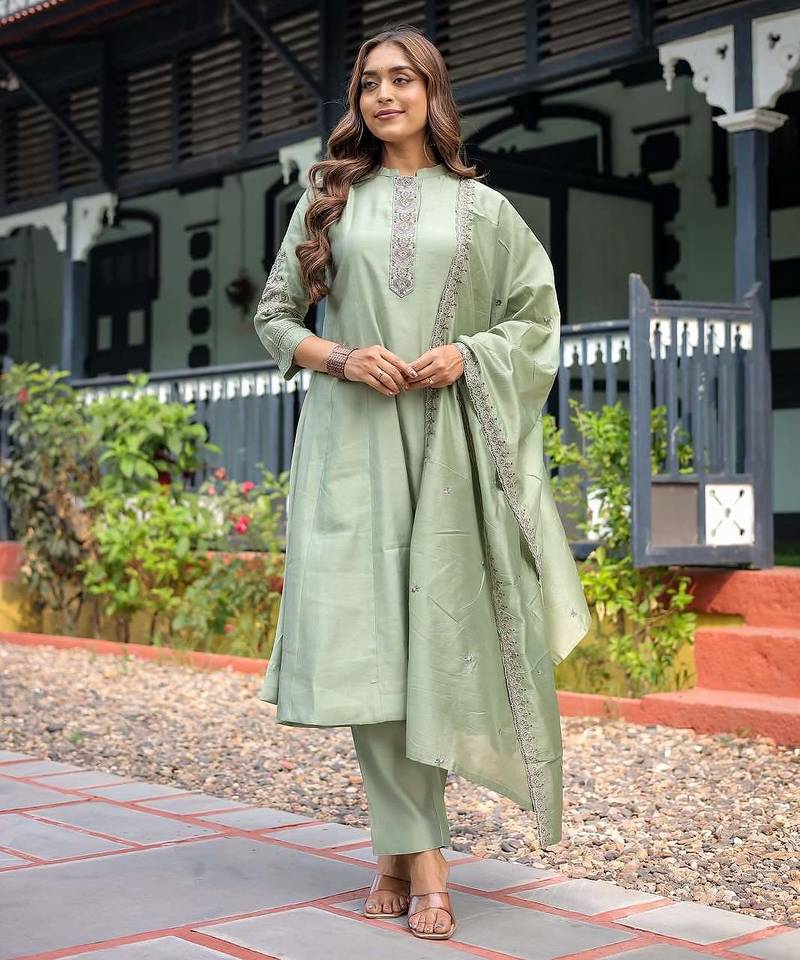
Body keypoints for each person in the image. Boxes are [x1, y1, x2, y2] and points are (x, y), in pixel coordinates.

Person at [253, 25, 591, 942]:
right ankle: (428, 863)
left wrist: (467, 354)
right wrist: (342, 357)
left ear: (433, 92)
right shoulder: (329, 198)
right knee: (371, 652)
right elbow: (275, 317)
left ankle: (397, 855)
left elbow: (535, 318)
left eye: (402, 79)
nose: (384, 95)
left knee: (431, 644)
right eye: (369, 83)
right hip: (351, 449)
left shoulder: (483, 211)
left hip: (447, 452)